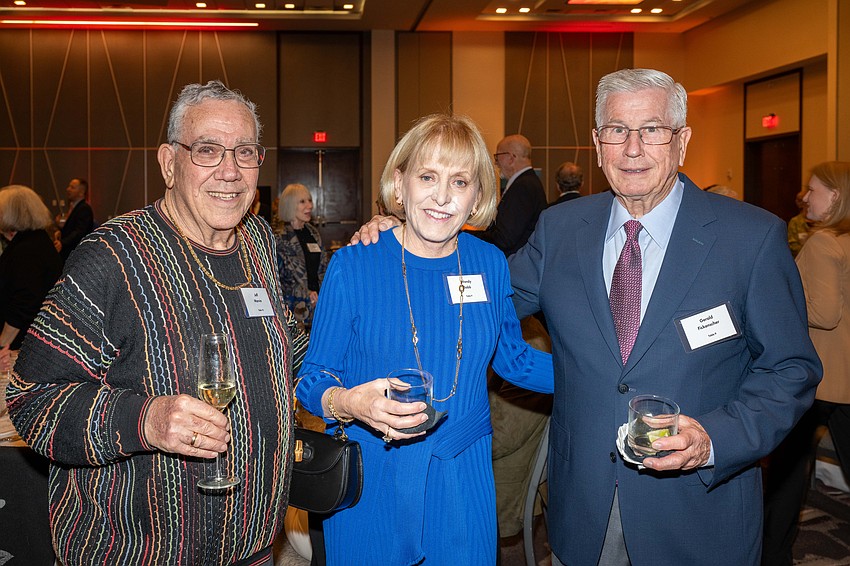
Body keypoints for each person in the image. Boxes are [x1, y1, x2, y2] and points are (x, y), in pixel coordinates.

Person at [351, 68, 822, 566]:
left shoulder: (749, 239)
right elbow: (477, 298)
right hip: (584, 507)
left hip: (696, 510)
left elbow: (791, 369)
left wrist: (713, 438)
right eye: (617, 131)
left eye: (652, 130)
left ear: (682, 140)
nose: (632, 149)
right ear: (598, 143)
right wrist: (412, 242)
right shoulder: (561, 229)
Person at [6, 80, 307, 566]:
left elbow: (286, 344)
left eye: (245, 152)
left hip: (252, 549)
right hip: (136, 553)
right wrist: (144, 419)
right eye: (208, 150)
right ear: (168, 163)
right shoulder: (112, 257)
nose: (230, 171)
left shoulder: (255, 240)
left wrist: (374, 253)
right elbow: (32, 398)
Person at [295, 113, 553, 565]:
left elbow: (514, 359)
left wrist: (604, 376)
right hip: (374, 475)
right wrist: (352, 403)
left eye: (459, 182)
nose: (441, 197)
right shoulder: (354, 266)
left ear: (477, 196)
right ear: (401, 183)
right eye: (428, 177)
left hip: (463, 476)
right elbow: (313, 379)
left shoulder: (489, 263)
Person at [762, 161, 850, 566]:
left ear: (834, 196)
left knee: (786, 477)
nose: (805, 197)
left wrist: (782, 300)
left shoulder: (822, 242)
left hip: (820, 378)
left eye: (812, 190)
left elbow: (826, 313)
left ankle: (772, 555)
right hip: (845, 377)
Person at [0, 185, 63, 372]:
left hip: (22, 348)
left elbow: (25, 301)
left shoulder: (27, 250)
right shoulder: (36, 242)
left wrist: (2, 342)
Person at [474, 134, 547, 256]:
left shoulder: (523, 187)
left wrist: (467, 236)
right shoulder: (529, 182)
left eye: (497, 156)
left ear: (511, 158)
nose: (496, 163)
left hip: (515, 266)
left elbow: (504, 239)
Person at [275, 182, 328, 331]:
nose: (310, 206)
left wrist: (325, 293)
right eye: (303, 202)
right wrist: (306, 294)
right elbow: (277, 281)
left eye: (310, 200)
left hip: (319, 309)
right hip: (294, 312)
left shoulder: (313, 233)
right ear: (290, 205)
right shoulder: (279, 238)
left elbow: (323, 268)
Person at [56, 177, 95, 261]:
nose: (68, 189)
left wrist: (62, 243)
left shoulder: (84, 208)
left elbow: (79, 232)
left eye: (72, 187)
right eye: (69, 186)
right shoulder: (74, 207)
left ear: (81, 192)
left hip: (76, 254)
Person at [788, 188, 812, 257]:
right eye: (798, 200)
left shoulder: (821, 222)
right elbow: (792, 245)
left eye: (801, 200)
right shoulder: (795, 222)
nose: (799, 203)